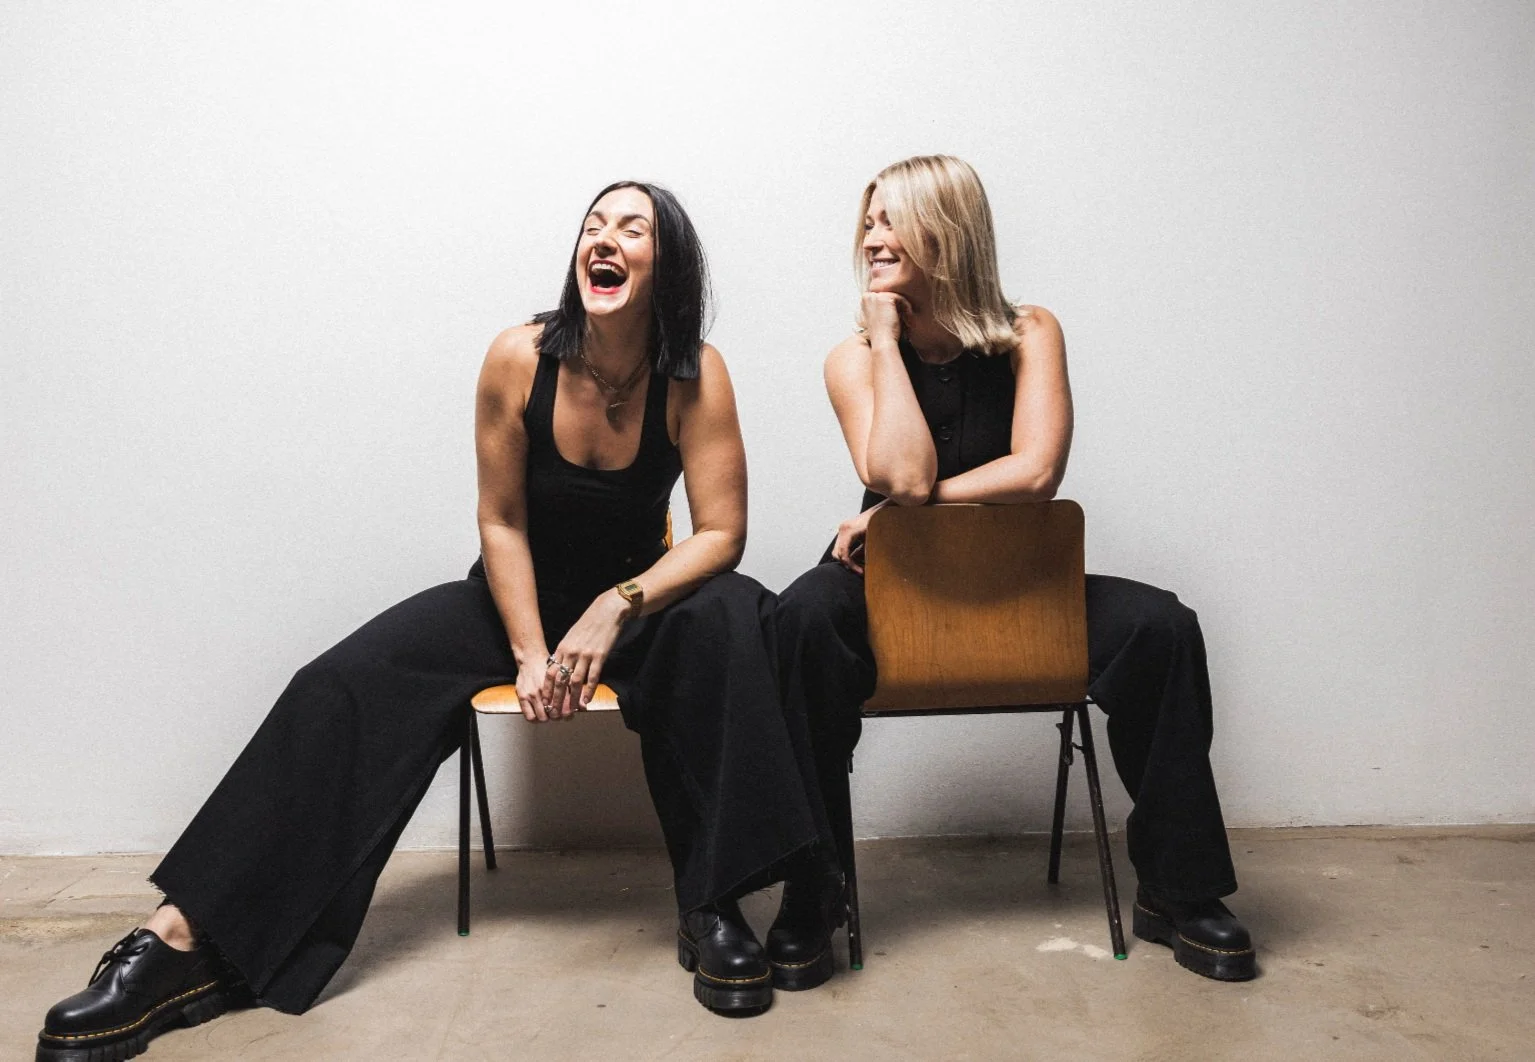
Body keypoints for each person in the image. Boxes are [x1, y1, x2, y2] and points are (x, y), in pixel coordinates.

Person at [36, 180, 829, 1060]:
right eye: (592, 225)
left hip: (637, 607)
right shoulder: (518, 357)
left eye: (630, 228)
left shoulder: (694, 371)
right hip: (515, 592)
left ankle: (714, 905)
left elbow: (721, 532)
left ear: (665, 262)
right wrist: (529, 648)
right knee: (343, 684)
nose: (603, 239)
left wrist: (618, 602)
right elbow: (501, 520)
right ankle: (187, 940)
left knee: (729, 617)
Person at [768, 155, 1258, 986]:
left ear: (947, 231)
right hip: (888, 586)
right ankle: (814, 889)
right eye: (867, 221)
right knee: (799, 621)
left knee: (1161, 628)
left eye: (892, 219)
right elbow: (906, 473)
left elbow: (1035, 473)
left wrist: (895, 510)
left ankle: (1181, 892)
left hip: (1014, 585)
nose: (871, 237)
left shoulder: (1031, 331)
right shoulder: (852, 358)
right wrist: (888, 342)